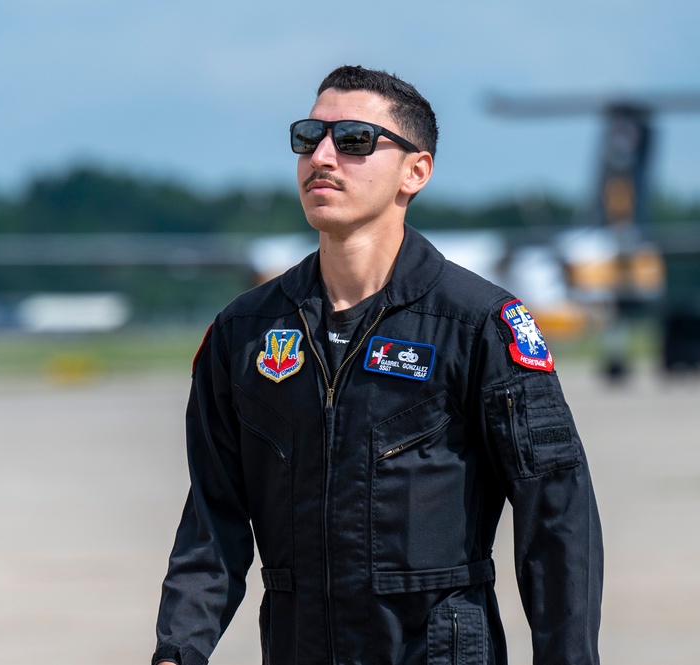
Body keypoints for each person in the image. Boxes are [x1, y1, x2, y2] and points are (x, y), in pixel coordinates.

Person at [152, 65, 603, 665]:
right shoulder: (245, 332)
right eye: (309, 136)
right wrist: (177, 651)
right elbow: (213, 518)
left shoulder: (479, 326)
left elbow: (557, 518)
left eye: (355, 140)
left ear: (415, 172)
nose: (323, 155)